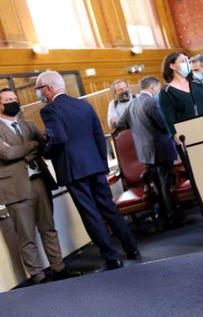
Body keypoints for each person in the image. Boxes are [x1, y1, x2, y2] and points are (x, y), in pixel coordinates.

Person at [35, 71, 139, 272]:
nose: (38, 93)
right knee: (109, 208)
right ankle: (131, 248)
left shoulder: (49, 110)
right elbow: (99, 136)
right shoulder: (84, 105)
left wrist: (44, 152)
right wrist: (101, 164)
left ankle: (111, 258)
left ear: (48, 89)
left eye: (38, 89)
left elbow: (59, 138)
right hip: (96, 167)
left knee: (90, 215)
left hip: (74, 171)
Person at [0, 88, 81, 284]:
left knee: (49, 229)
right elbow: (7, 155)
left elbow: (44, 148)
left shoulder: (28, 124)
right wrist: (32, 146)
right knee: (27, 236)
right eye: (8, 99)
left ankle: (59, 268)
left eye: (15, 98)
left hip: (40, 182)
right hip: (16, 188)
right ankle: (38, 276)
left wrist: (23, 149)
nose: (14, 102)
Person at [116, 76, 181, 229]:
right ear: (152, 87)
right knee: (165, 185)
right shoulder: (151, 102)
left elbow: (119, 123)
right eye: (157, 88)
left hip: (144, 153)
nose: (158, 91)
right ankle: (173, 220)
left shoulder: (132, 104)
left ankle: (165, 219)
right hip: (160, 150)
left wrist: (138, 131)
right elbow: (164, 125)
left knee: (158, 186)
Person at [158, 52, 203, 143]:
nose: (188, 64)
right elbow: (169, 120)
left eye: (188, 61)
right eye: (183, 61)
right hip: (188, 137)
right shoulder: (167, 91)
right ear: (172, 66)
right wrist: (176, 136)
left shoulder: (198, 84)